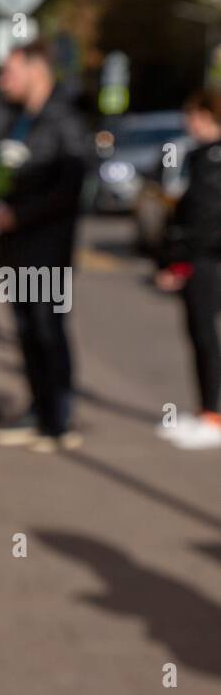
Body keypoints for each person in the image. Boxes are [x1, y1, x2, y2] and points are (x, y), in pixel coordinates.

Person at [0, 40, 88, 453]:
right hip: (17, 246)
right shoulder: (15, 121)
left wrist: (19, 215)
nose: (2, 80)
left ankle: (59, 418)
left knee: (48, 327)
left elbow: (70, 188)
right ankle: (38, 409)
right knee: (26, 327)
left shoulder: (63, 120)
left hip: (47, 247)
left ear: (36, 70)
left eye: (9, 71)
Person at [155, 90, 221, 450]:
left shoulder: (213, 160)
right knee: (199, 335)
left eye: (193, 116)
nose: (188, 123)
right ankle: (206, 411)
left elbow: (203, 219)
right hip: (201, 258)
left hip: (205, 261)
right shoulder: (200, 157)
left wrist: (178, 260)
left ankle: (212, 415)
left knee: (204, 336)